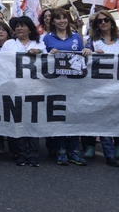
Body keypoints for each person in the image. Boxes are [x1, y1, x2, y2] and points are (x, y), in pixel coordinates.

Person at [87, 10, 119, 168]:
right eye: (99, 21)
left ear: (111, 22)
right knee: (105, 122)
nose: (103, 23)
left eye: (106, 20)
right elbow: (85, 58)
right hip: (101, 87)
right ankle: (109, 155)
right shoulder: (93, 41)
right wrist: (90, 53)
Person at [42, 9, 90, 166]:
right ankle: (60, 150)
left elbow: (83, 56)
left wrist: (87, 51)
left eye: (64, 18)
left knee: (73, 117)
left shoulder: (76, 37)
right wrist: (49, 54)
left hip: (74, 84)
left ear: (68, 20)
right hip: (55, 85)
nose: (61, 21)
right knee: (58, 117)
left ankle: (74, 151)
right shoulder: (47, 38)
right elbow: (41, 59)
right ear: (53, 21)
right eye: (58, 18)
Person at [1, 16, 45, 166]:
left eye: (22, 25)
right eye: (17, 26)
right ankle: (19, 153)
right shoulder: (9, 44)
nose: (19, 28)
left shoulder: (39, 43)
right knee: (17, 121)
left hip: (34, 88)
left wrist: (39, 52)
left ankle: (33, 154)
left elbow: (48, 60)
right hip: (15, 88)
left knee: (32, 121)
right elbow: (2, 63)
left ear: (30, 28)